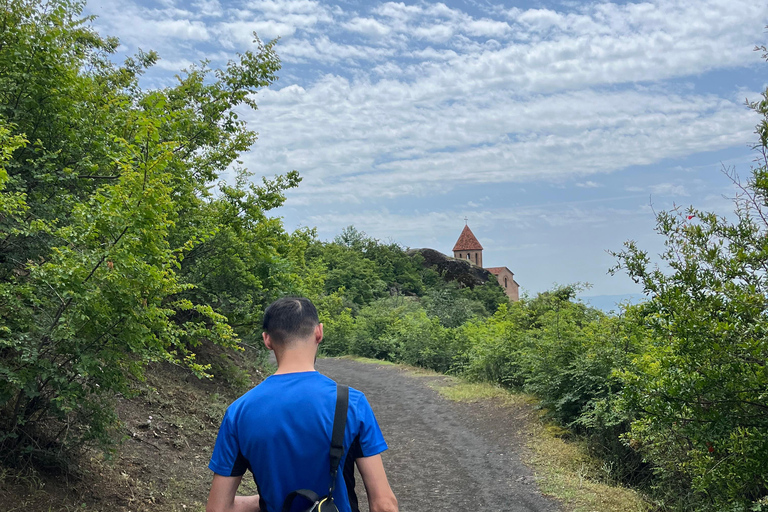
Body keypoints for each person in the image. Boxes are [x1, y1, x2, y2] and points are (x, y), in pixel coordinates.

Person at [206, 297, 398, 512]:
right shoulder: (352, 403)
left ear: (267, 340)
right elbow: (383, 504)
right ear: (319, 333)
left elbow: (218, 509)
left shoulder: (239, 412)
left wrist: (265, 500)